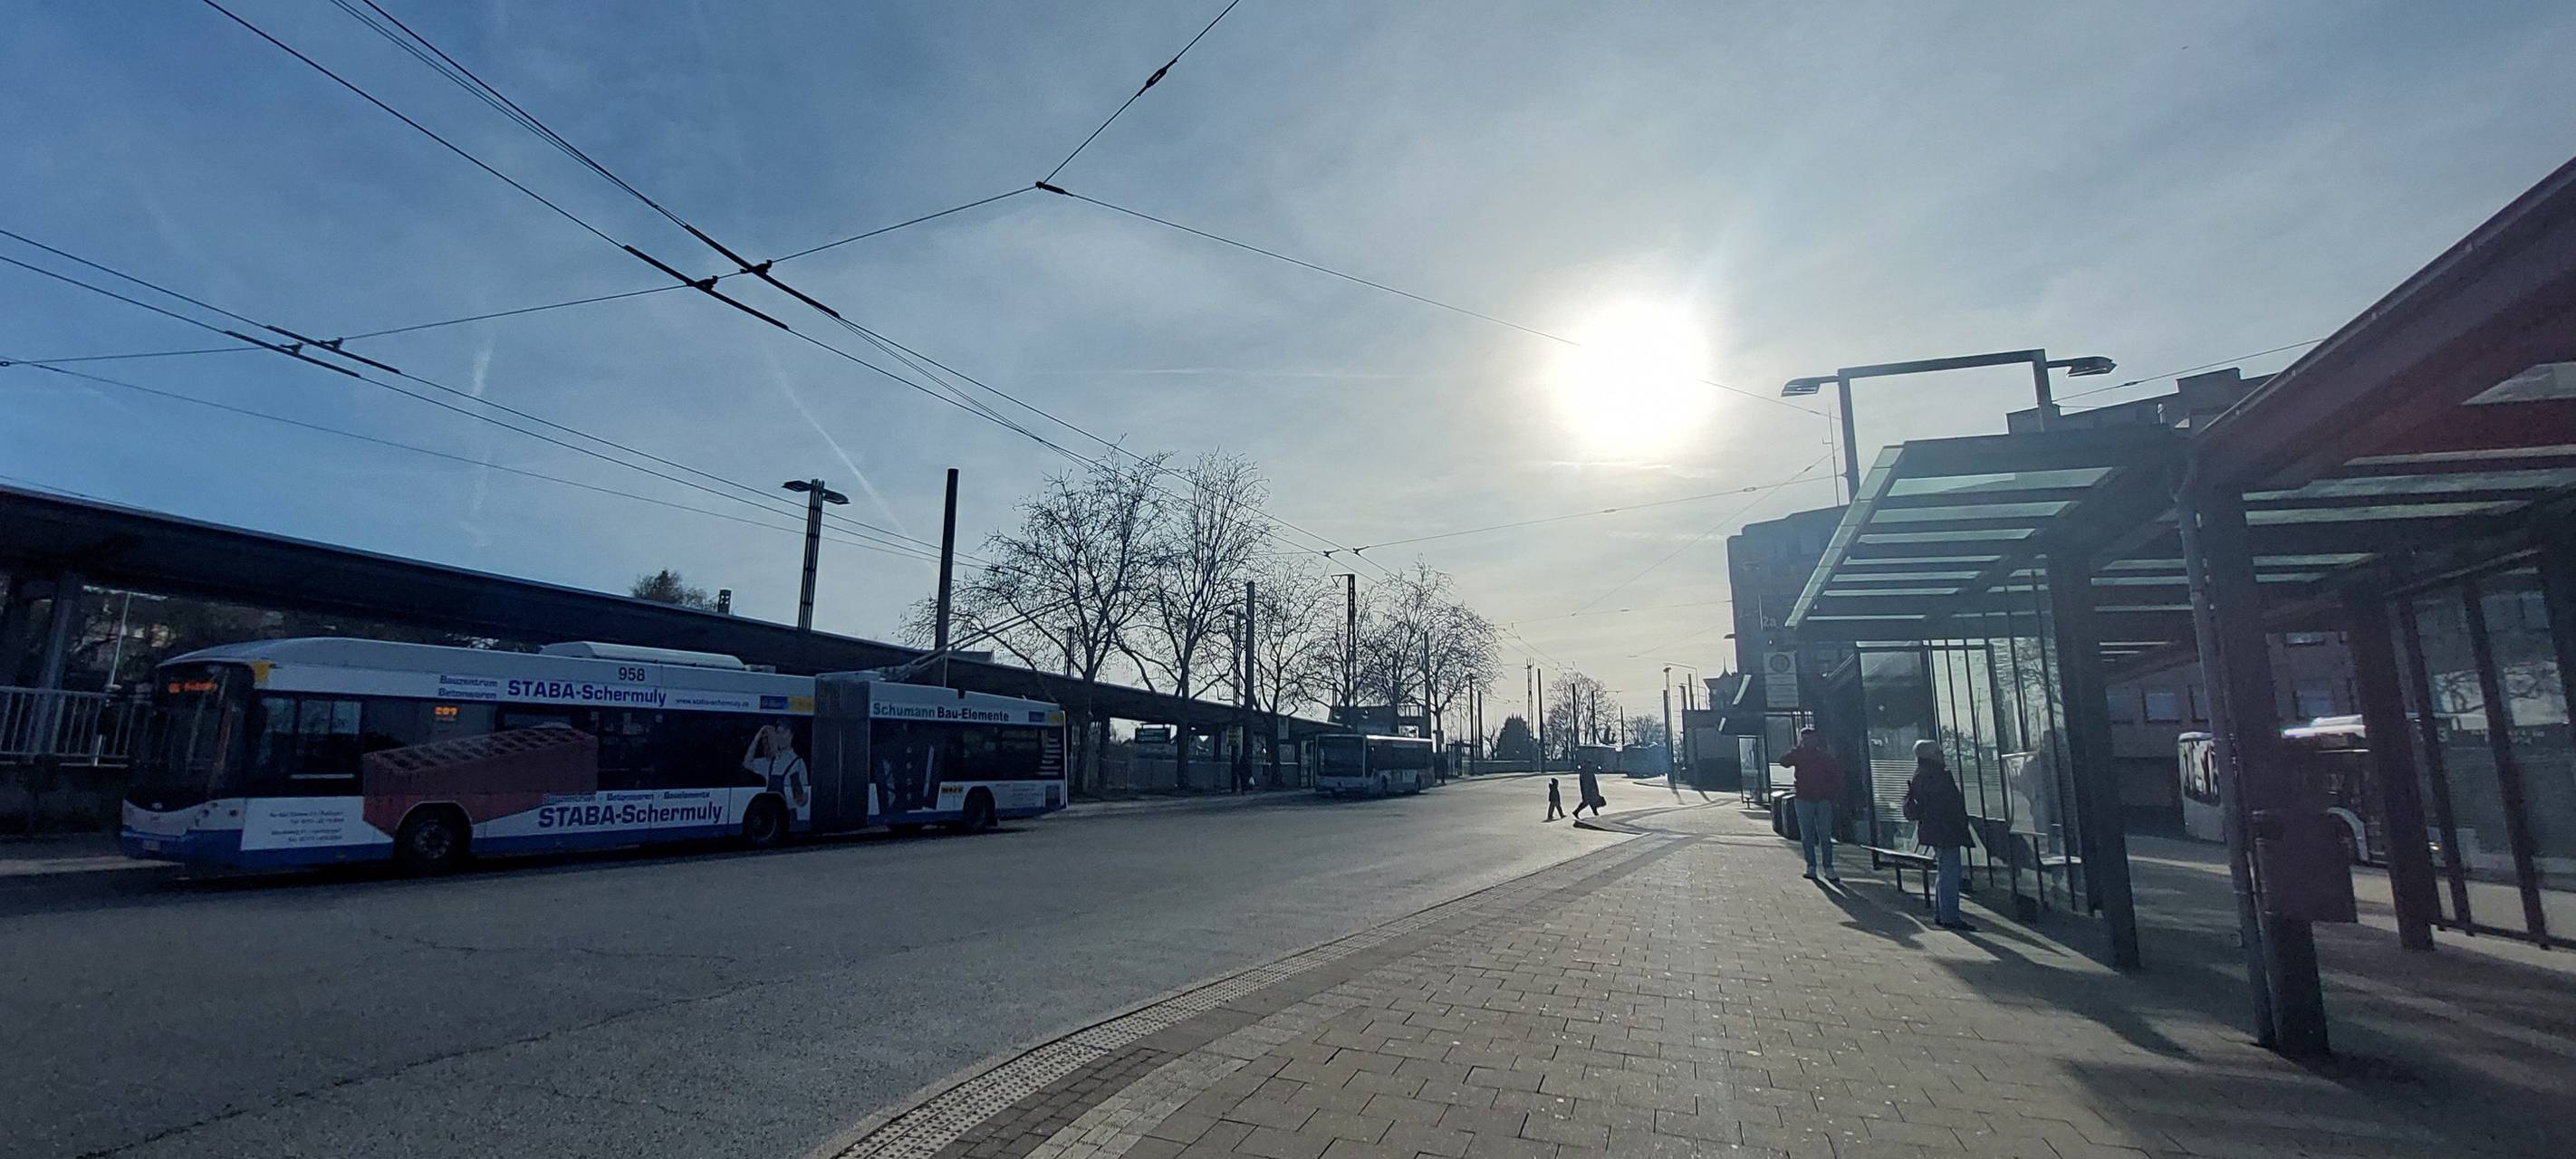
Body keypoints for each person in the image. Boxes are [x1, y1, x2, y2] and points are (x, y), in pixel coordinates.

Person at [1903, 739, 1978, 932]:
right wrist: (1959, 822)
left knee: (1945, 870)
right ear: (1930, 755)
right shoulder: (1935, 775)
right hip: (1945, 829)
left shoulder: (1923, 774)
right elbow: (1946, 804)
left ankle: (1943, 914)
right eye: (1938, 752)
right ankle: (1949, 917)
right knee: (1949, 873)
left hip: (1937, 829)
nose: (1942, 755)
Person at [1776, 726, 1844, 882]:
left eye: (1810, 739)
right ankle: (1812, 866)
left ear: (1816, 739)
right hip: (1805, 798)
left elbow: (1836, 774)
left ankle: (1828, 866)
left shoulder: (1824, 756)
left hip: (1821, 798)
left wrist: (1832, 794)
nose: (1808, 742)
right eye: (1805, 739)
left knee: (1824, 834)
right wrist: (1795, 751)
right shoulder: (1799, 754)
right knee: (1807, 835)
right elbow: (1783, 761)